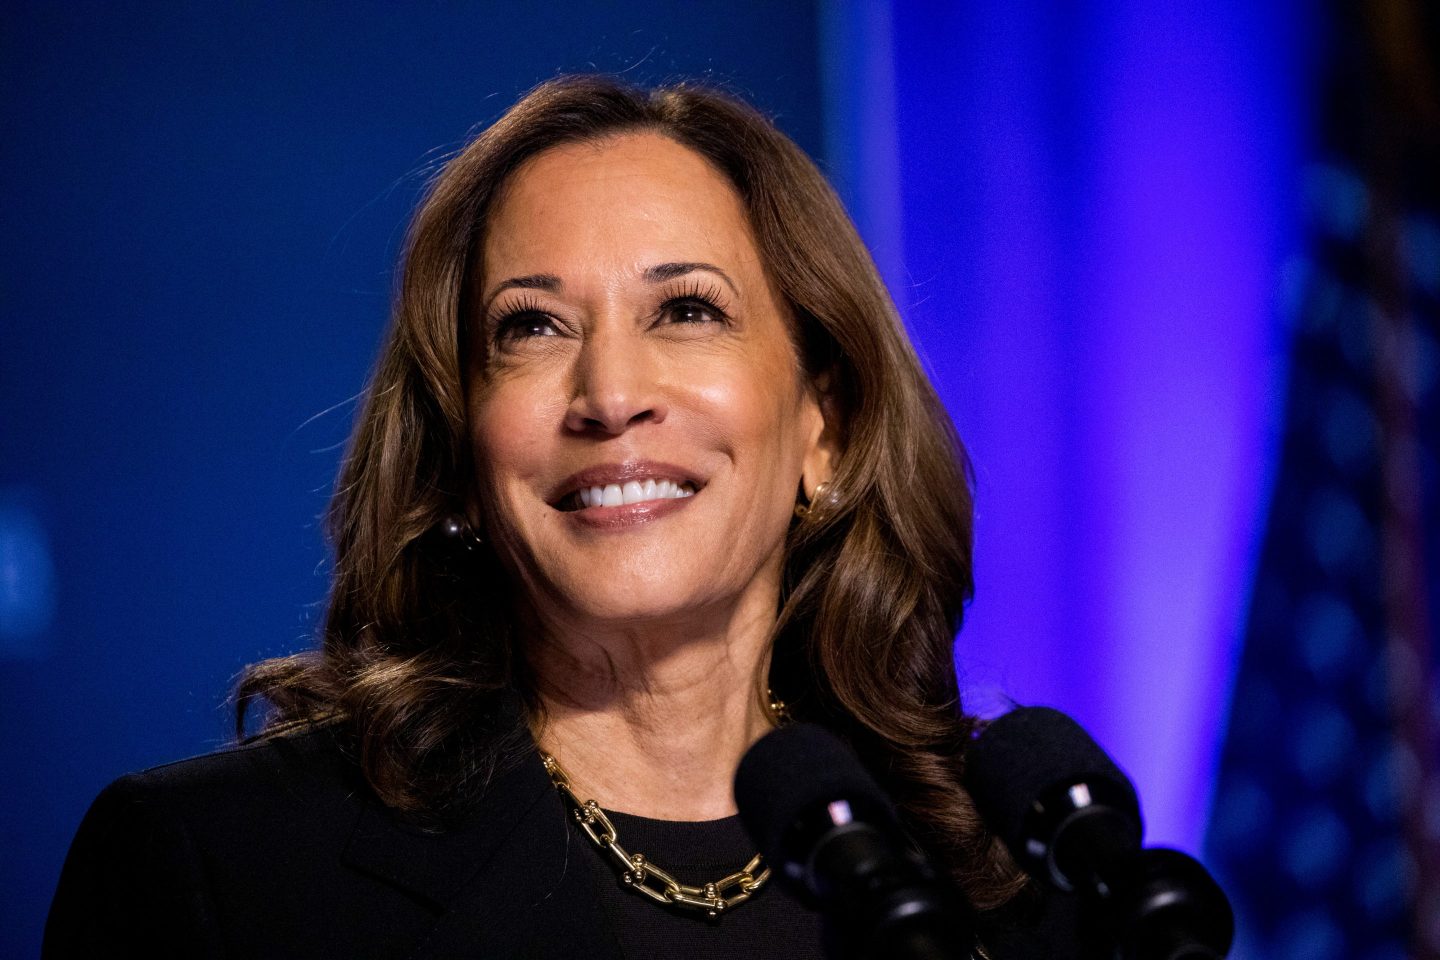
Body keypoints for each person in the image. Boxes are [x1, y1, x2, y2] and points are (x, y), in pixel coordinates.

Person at [43, 75, 1083, 959]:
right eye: (531, 327)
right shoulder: (217, 872)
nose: (611, 393)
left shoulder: (1008, 884)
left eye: (686, 310)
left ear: (829, 427)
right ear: (455, 456)